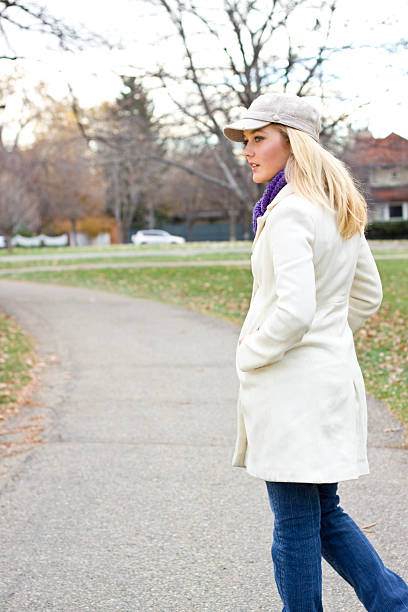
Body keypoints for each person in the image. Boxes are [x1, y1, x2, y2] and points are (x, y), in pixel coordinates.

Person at [223, 92, 408, 612]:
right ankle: (394, 601)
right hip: (327, 383)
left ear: (294, 143)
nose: (249, 151)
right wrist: (328, 336)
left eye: (260, 138)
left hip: (292, 392)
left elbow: (296, 311)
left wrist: (252, 352)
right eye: (247, 141)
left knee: (295, 525)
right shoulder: (336, 205)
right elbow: (366, 295)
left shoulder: (289, 212)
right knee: (324, 514)